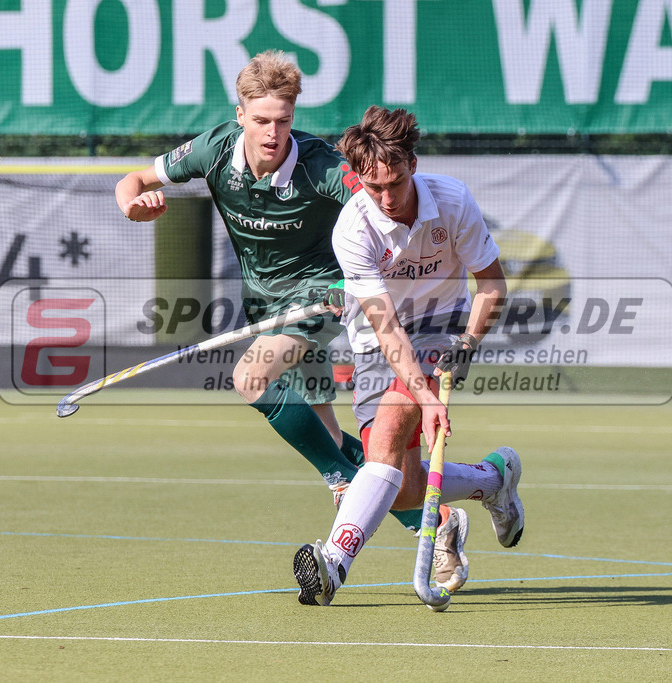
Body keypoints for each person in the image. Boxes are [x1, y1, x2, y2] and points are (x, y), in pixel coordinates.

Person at [115, 52, 468, 581]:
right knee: (341, 439)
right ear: (240, 116)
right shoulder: (213, 151)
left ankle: (337, 480)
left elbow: (380, 207)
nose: (272, 132)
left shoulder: (322, 165)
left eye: (283, 120)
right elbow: (134, 180)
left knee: (251, 378)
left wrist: (364, 282)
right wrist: (132, 204)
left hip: (321, 299)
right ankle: (438, 525)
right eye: (260, 120)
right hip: (263, 303)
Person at [292, 106, 525, 606]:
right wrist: (428, 399)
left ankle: (334, 561)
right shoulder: (354, 230)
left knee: (395, 427)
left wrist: (466, 345)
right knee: (401, 487)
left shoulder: (452, 200)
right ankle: (494, 479)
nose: (386, 198)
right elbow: (388, 331)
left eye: (395, 183)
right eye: (373, 187)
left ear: (412, 165)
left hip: (442, 325)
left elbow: (491, 284)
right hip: (379, 338)